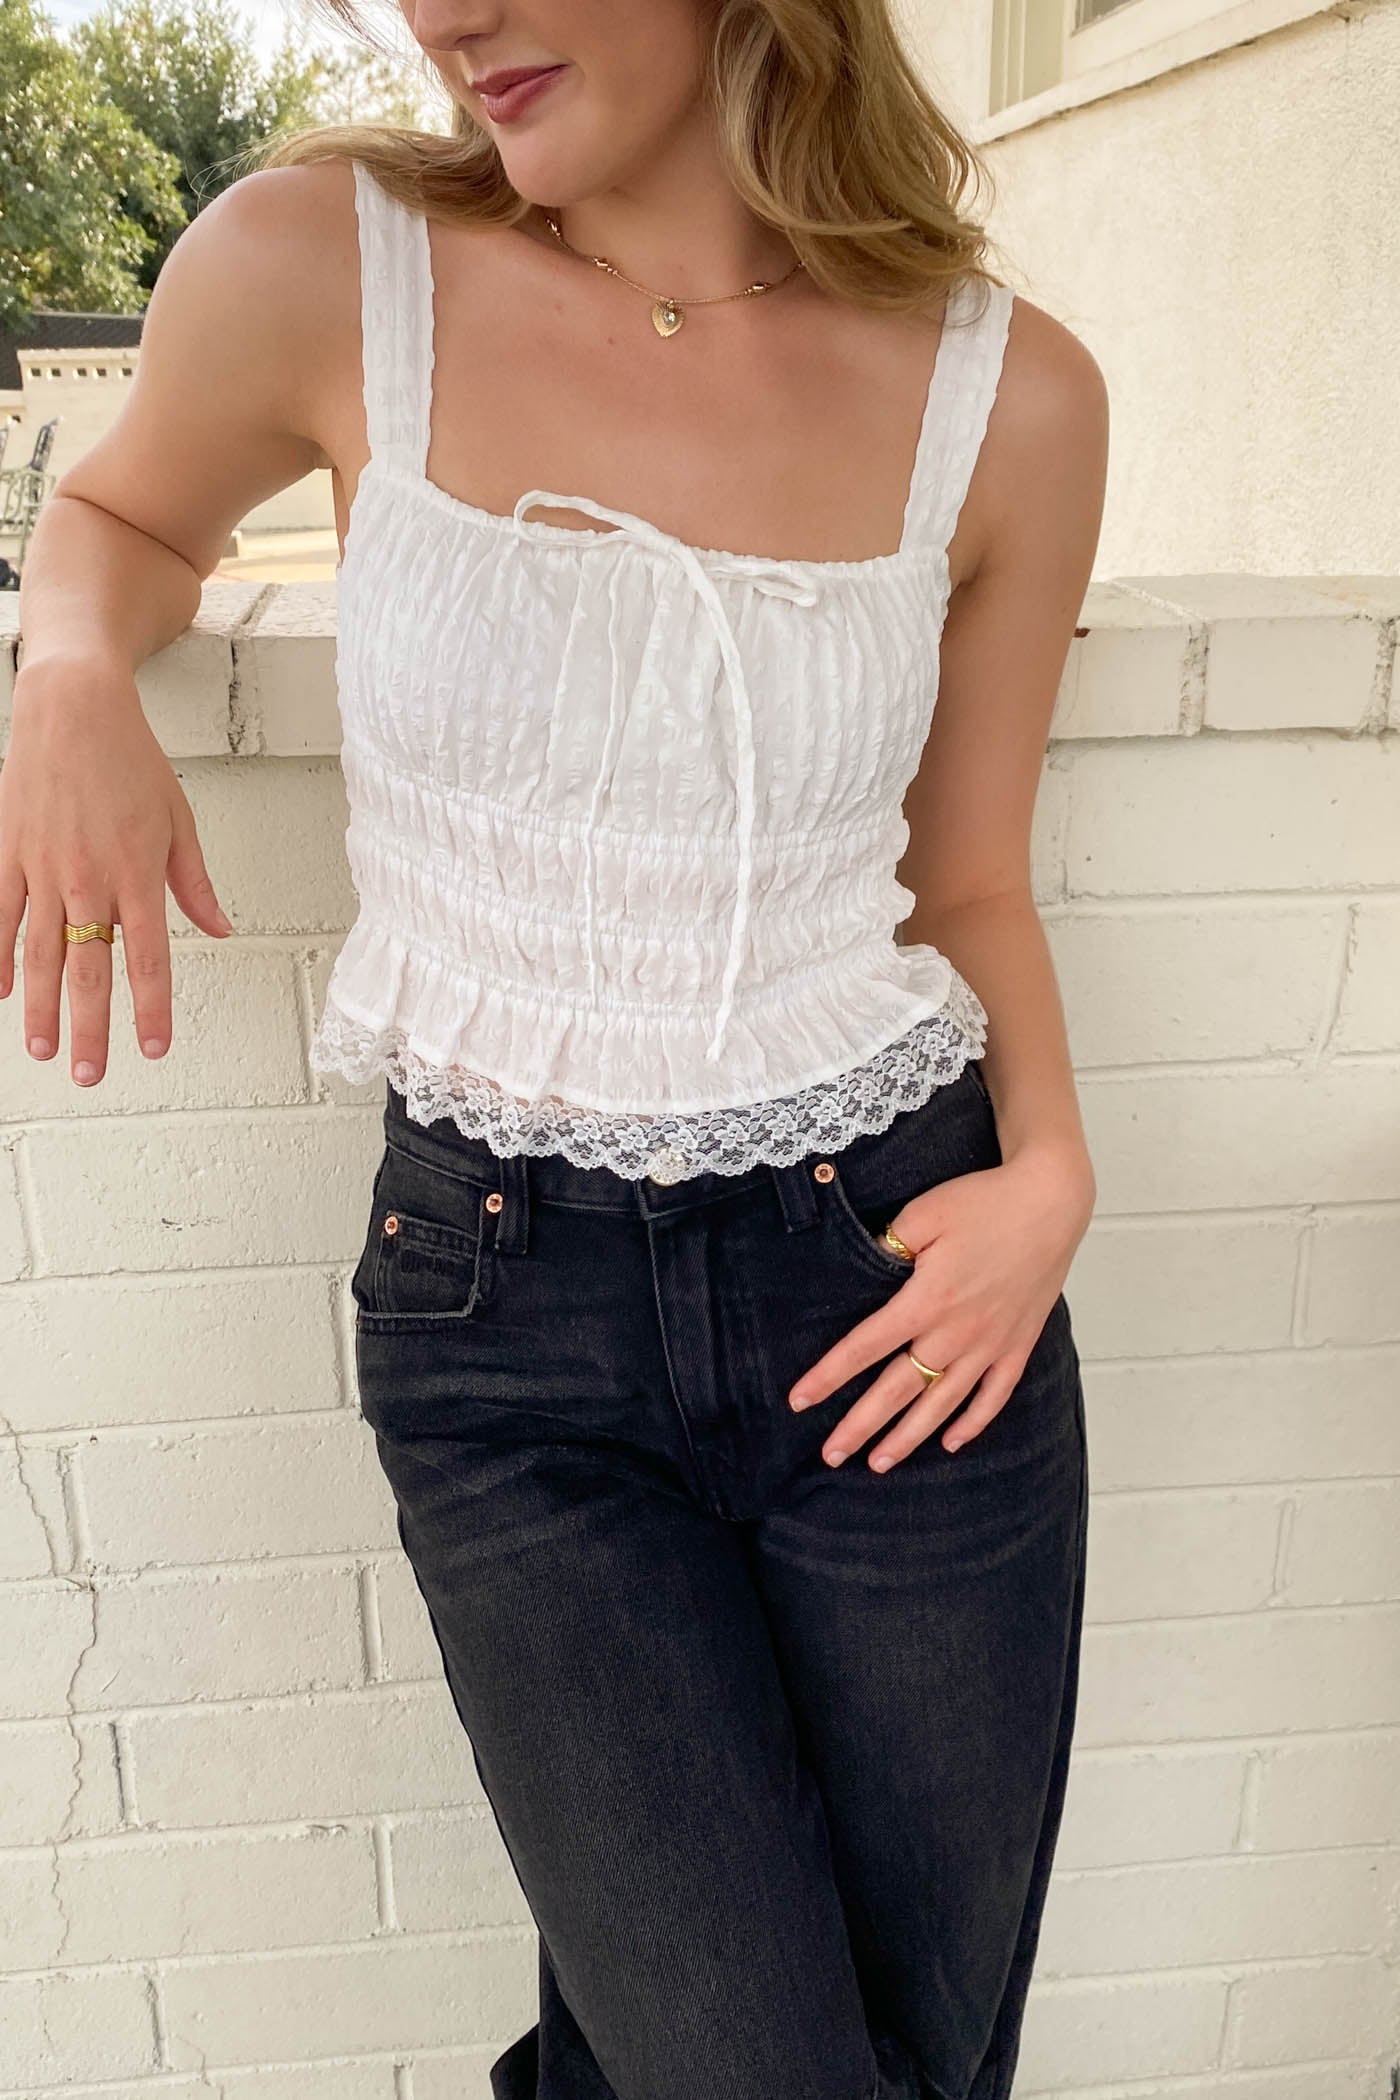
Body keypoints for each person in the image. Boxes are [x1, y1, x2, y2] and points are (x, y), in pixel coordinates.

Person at [0, 3, 1108, 2094]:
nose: (446, 14)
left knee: (919, 2059)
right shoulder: (317, 263)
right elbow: (125, 521)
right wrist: (65, 669)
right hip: (508, 1322)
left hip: (897, 1287)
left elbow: (964, 881)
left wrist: (1049, 1175)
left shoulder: (1013, 398)